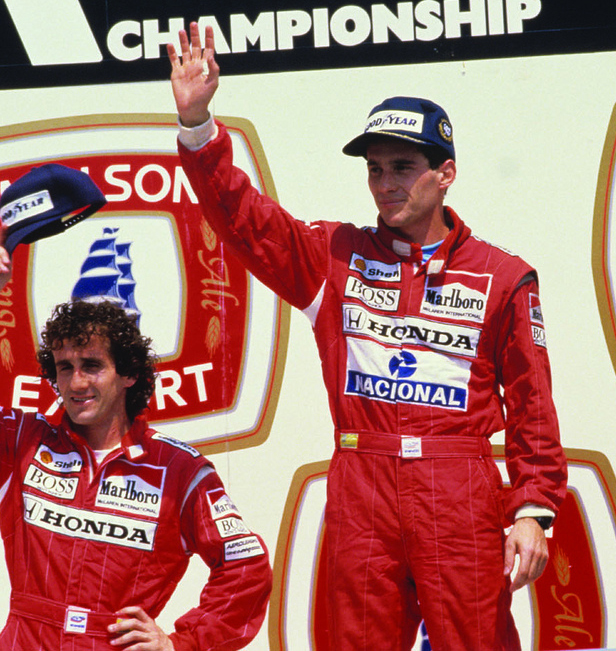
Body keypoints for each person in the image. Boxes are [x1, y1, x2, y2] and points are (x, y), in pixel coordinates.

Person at [167, 23, 567, 651]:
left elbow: (534, 405)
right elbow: (245, 220)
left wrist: (532, 509)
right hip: (363, 482)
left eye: (402, 167)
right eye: (375, 170)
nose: (385, 184)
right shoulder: (335, 255)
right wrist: (198, 126)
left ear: (446, 173)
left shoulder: (503, 276)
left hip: (458, 486)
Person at [0, 239, 272, 650]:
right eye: (65, 368)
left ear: (129, 374)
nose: (77, 382)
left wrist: (181, 644)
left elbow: (246, 568)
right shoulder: (20, 445)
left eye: (92, 366)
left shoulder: (181, 472)